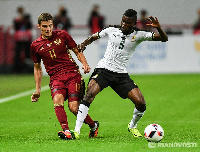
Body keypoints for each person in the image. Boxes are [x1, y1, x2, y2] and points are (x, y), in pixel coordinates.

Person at [73, 9, 168, 139]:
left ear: (134, 23)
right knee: (89, 94)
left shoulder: (139, 35)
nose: (124, 24)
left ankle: (132, 126)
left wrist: (159, 28)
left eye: (128, 22)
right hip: (103, 70)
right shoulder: (111, 29)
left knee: (141, 103)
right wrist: (84, 44)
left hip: (120, 75)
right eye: (123, 20)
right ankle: (76, 131)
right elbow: (94, 36)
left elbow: (164, 39)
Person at [30, 13, 99, 140]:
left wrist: (84, 64)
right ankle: (66, 131)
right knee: (57, 100)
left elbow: (77, 51)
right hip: (56, 78)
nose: (48, 29)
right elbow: (38, 68)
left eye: (50, 25)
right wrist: (38, 90)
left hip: (72, 74)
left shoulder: (62, 35)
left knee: (73, 108)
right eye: (45, 26)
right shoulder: (35, 46)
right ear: (39, 26)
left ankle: (93, 125)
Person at [13, 6, 33, 73]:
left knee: (28, 53)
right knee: (18, 54)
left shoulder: (26, 18)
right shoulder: (16, 19)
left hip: (26, 38)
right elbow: (16, 27)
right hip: (19, 38)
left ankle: (28, 69)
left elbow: (30, 26)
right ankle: (17, 69)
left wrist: (25, 20)